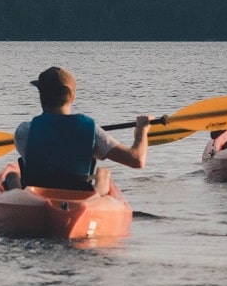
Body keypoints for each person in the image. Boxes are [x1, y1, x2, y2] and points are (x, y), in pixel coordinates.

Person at [10, 66, 150, 195]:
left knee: (11, 175)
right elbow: (137, 160)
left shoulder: (24, 131)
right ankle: (95, 199)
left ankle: (16, 199)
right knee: (103, 172)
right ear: (73, 97)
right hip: (78, 196)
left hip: (36, 195)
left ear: (42, 96)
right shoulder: (91, 130)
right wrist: (141, 131)